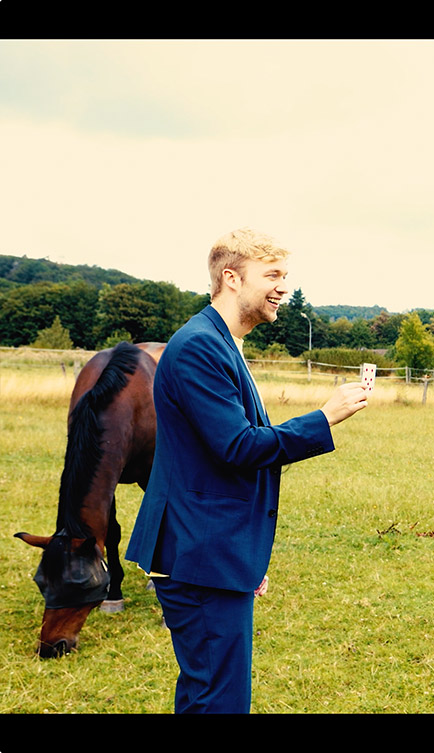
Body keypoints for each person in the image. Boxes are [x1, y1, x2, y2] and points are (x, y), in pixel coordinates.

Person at [125, 228, 367, 713]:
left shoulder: (223, 342)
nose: (283, 287)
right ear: (231, 278)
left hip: (215, 553)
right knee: (221, 700)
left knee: (205, 693)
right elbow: (237, 446)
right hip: (199, 557)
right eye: (272, 275)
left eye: (285, 275)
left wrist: (247, 557)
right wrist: (324, 417)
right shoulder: (199, 346)